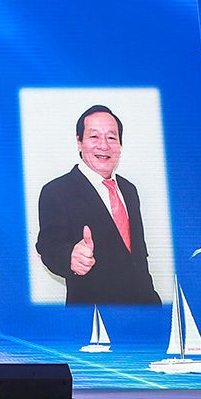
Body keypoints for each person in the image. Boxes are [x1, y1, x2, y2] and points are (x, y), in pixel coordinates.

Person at [35, 105, 161, 306]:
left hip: (144, 310)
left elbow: (137, 257)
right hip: (94, 315)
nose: (104, 145)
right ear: (79, 142)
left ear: (120, 144)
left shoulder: (129, 190)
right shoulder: (57, 191)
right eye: (94, 136)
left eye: (111, 137)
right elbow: (49, 247)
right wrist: (71, 258)